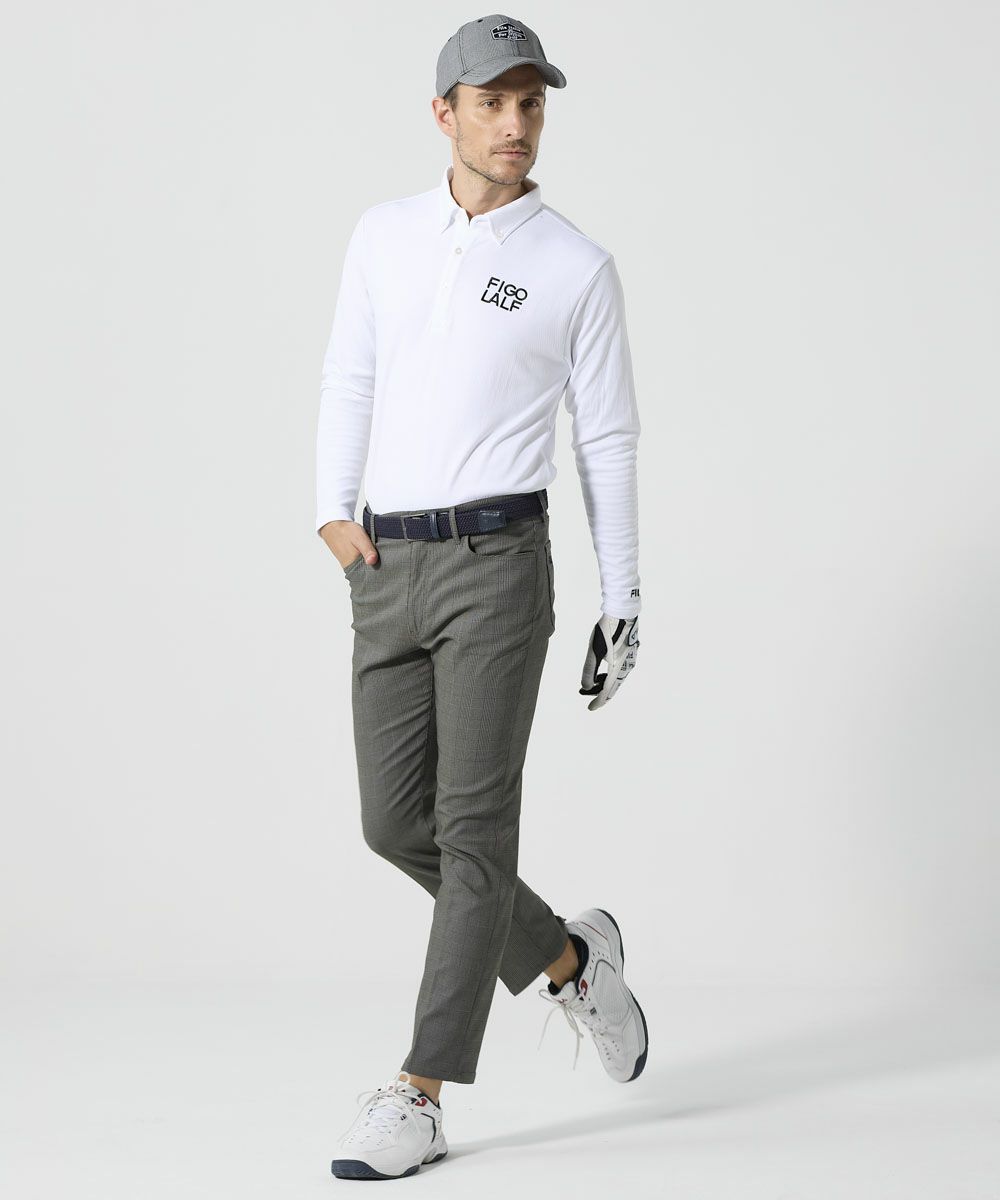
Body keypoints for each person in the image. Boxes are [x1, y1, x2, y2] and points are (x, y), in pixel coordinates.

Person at [317, 12, 647, 1181]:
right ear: (444, 113)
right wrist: (331, 513)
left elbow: (605, 438)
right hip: (385, 565)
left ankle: (418, 1095)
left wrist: (624, 594)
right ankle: (569, 962)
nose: (515, 124)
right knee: (393, 824)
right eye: (493, 102)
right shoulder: (384, 234)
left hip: (499, 567)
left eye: (531, 103)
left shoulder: (574, 266)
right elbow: (351, 369)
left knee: (471, 836)